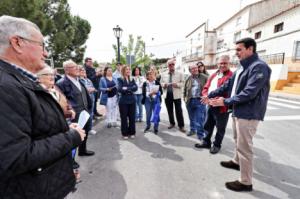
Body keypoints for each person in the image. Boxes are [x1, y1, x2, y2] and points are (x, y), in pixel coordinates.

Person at [0, 15, 85, 198]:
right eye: (42, 45)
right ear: (17, 43)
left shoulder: (16, 81)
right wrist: (71, 137)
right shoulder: (5, 85)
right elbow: (15, 156)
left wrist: (63, 128)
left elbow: (33, 128)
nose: (46, 53)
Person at [208, 38, 271, 192]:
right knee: (237, 141)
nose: (236, 53)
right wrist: (211, 95)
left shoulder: (259, 67)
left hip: (248, 113)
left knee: (245, 147)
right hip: (238, 111)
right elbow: (228, 85)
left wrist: (225, 101)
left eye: (239, 50)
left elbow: (249, 93)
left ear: (250, 49)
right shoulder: (241, 68)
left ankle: (245, 182)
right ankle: (236, 162)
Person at [57, 60, 95, 157]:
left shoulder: (79, 80)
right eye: (74, 67)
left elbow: (85, 95)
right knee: (73, 137)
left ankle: (82, 151)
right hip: (74, 116)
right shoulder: (61, 83)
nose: (77, 68)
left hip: (84, 112)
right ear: (67, 70)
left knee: (84, 132)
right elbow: (62, 100)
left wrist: (89, 106)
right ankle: (71, 160)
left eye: (77, 66)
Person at [196, 55, 233, 154]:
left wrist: (209, 97)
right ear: (218, 64)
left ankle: (216, 145)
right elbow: (206, 87)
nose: (222, 65)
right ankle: (206, 142)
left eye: (225, 63)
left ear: (229, 63)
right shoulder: (214, 75)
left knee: (220, 128)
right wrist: (205, 96)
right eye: (221, 63)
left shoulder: (231, 76)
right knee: (208, 124)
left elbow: (224, 91)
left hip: (222, 107)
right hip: (210, 104)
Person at [160, 58, 186, 132]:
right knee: (169, 110)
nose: (171, 65)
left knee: (179, 111)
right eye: (169, 64)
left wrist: (177, 84)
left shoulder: (180, 73)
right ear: (167, 65)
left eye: (172, 64)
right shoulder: (163, 74)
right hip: (167, 95)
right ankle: (172, 123)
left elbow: (183, 83)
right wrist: (164, 84)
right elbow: (160, 83)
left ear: (174, 65)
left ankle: (181, 126)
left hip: (177, 95)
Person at [183, 64, 207, 139]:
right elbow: (184, 90)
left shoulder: (204, 77)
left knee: (199, 119)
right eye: (193, 68)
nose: (195, 69)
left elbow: (209, 88)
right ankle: (192, 130)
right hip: (190, 101)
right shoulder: (188, 78)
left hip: (200, 101)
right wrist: (185, 99)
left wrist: (206, 98)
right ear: (190, 71)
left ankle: (200, 135)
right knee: (191, 118)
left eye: (196, 68)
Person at [117, 65, 138, 139]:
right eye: (127, 69)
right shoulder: (120, 79)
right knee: (124, 118)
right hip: (123, 101)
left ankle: (132, 132)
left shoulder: (132, 79)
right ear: (123, 71)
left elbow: (136, 88)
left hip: (132, 100)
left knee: (132, 118)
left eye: (129, 69)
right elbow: (120, 89)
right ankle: (125, 133)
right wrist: (130, 88)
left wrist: (126, 88)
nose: (128, 71)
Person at [79, 66, 97, 135]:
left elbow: (93, 88)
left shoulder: (88, 80)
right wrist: (89, 89)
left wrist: (90, 89)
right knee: (84, 115)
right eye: (81, 71)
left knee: (91, 114)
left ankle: (90, 129)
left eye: (84, 71)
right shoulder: (79, 81)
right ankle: (82, 130)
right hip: (84, 100)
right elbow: (85, 90)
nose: (83, 72)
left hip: (91, 98)